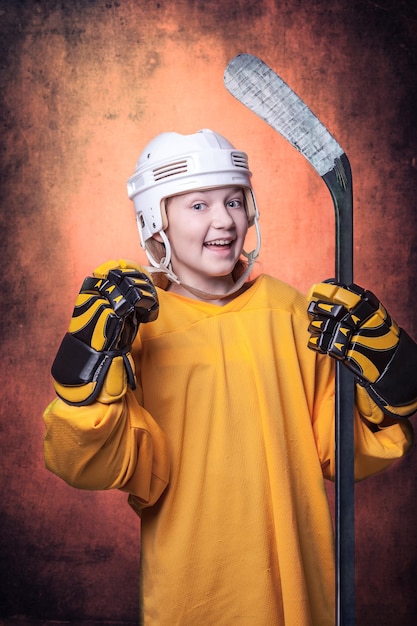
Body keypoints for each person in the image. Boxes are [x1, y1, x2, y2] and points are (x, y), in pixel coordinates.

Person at [43, 129, 417, 626]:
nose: (224, 220)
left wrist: (392, 386)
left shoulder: (294, 314)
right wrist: (85, 377)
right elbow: (96, 464)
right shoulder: (134, 332)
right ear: (156, 223)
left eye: (234, 200)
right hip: (193, 595)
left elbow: (339, 451)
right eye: (198, 206)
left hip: (299, 594)